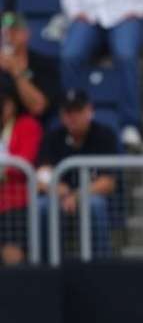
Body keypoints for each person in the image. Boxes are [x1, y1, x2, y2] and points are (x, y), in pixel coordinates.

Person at [60, 0, 143, 150]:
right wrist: (75, 11)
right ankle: (73, 119)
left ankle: (130, 124)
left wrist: (141, 8)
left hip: (125, 12)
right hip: (88, 13)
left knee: (126, 54)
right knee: (70, 55)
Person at [36, 89, 120, 259]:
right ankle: (47, 266)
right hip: (60, 195)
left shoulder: (104, 135)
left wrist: (77, 195)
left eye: (78, 111)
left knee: (95, 205)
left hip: (89, 194)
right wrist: (62, 191)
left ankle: (100, 264)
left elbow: (107, 182)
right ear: (61, 115)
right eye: (68, 112)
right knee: (42, 206)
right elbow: (41, 177)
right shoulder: (53, 137)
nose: (72, 117)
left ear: (89, 111)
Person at [0, 87, 43, 266]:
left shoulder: (27, 126)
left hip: (14, 201)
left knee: (12, 254)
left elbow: (23, 164)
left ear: (11, 105)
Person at [0, 12, 61, 124]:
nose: (8, 36)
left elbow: (38, 107)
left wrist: (16, 72)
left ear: (26, 33)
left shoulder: (43, 65)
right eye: (4, 32)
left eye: (14, 31)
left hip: (35, 129)